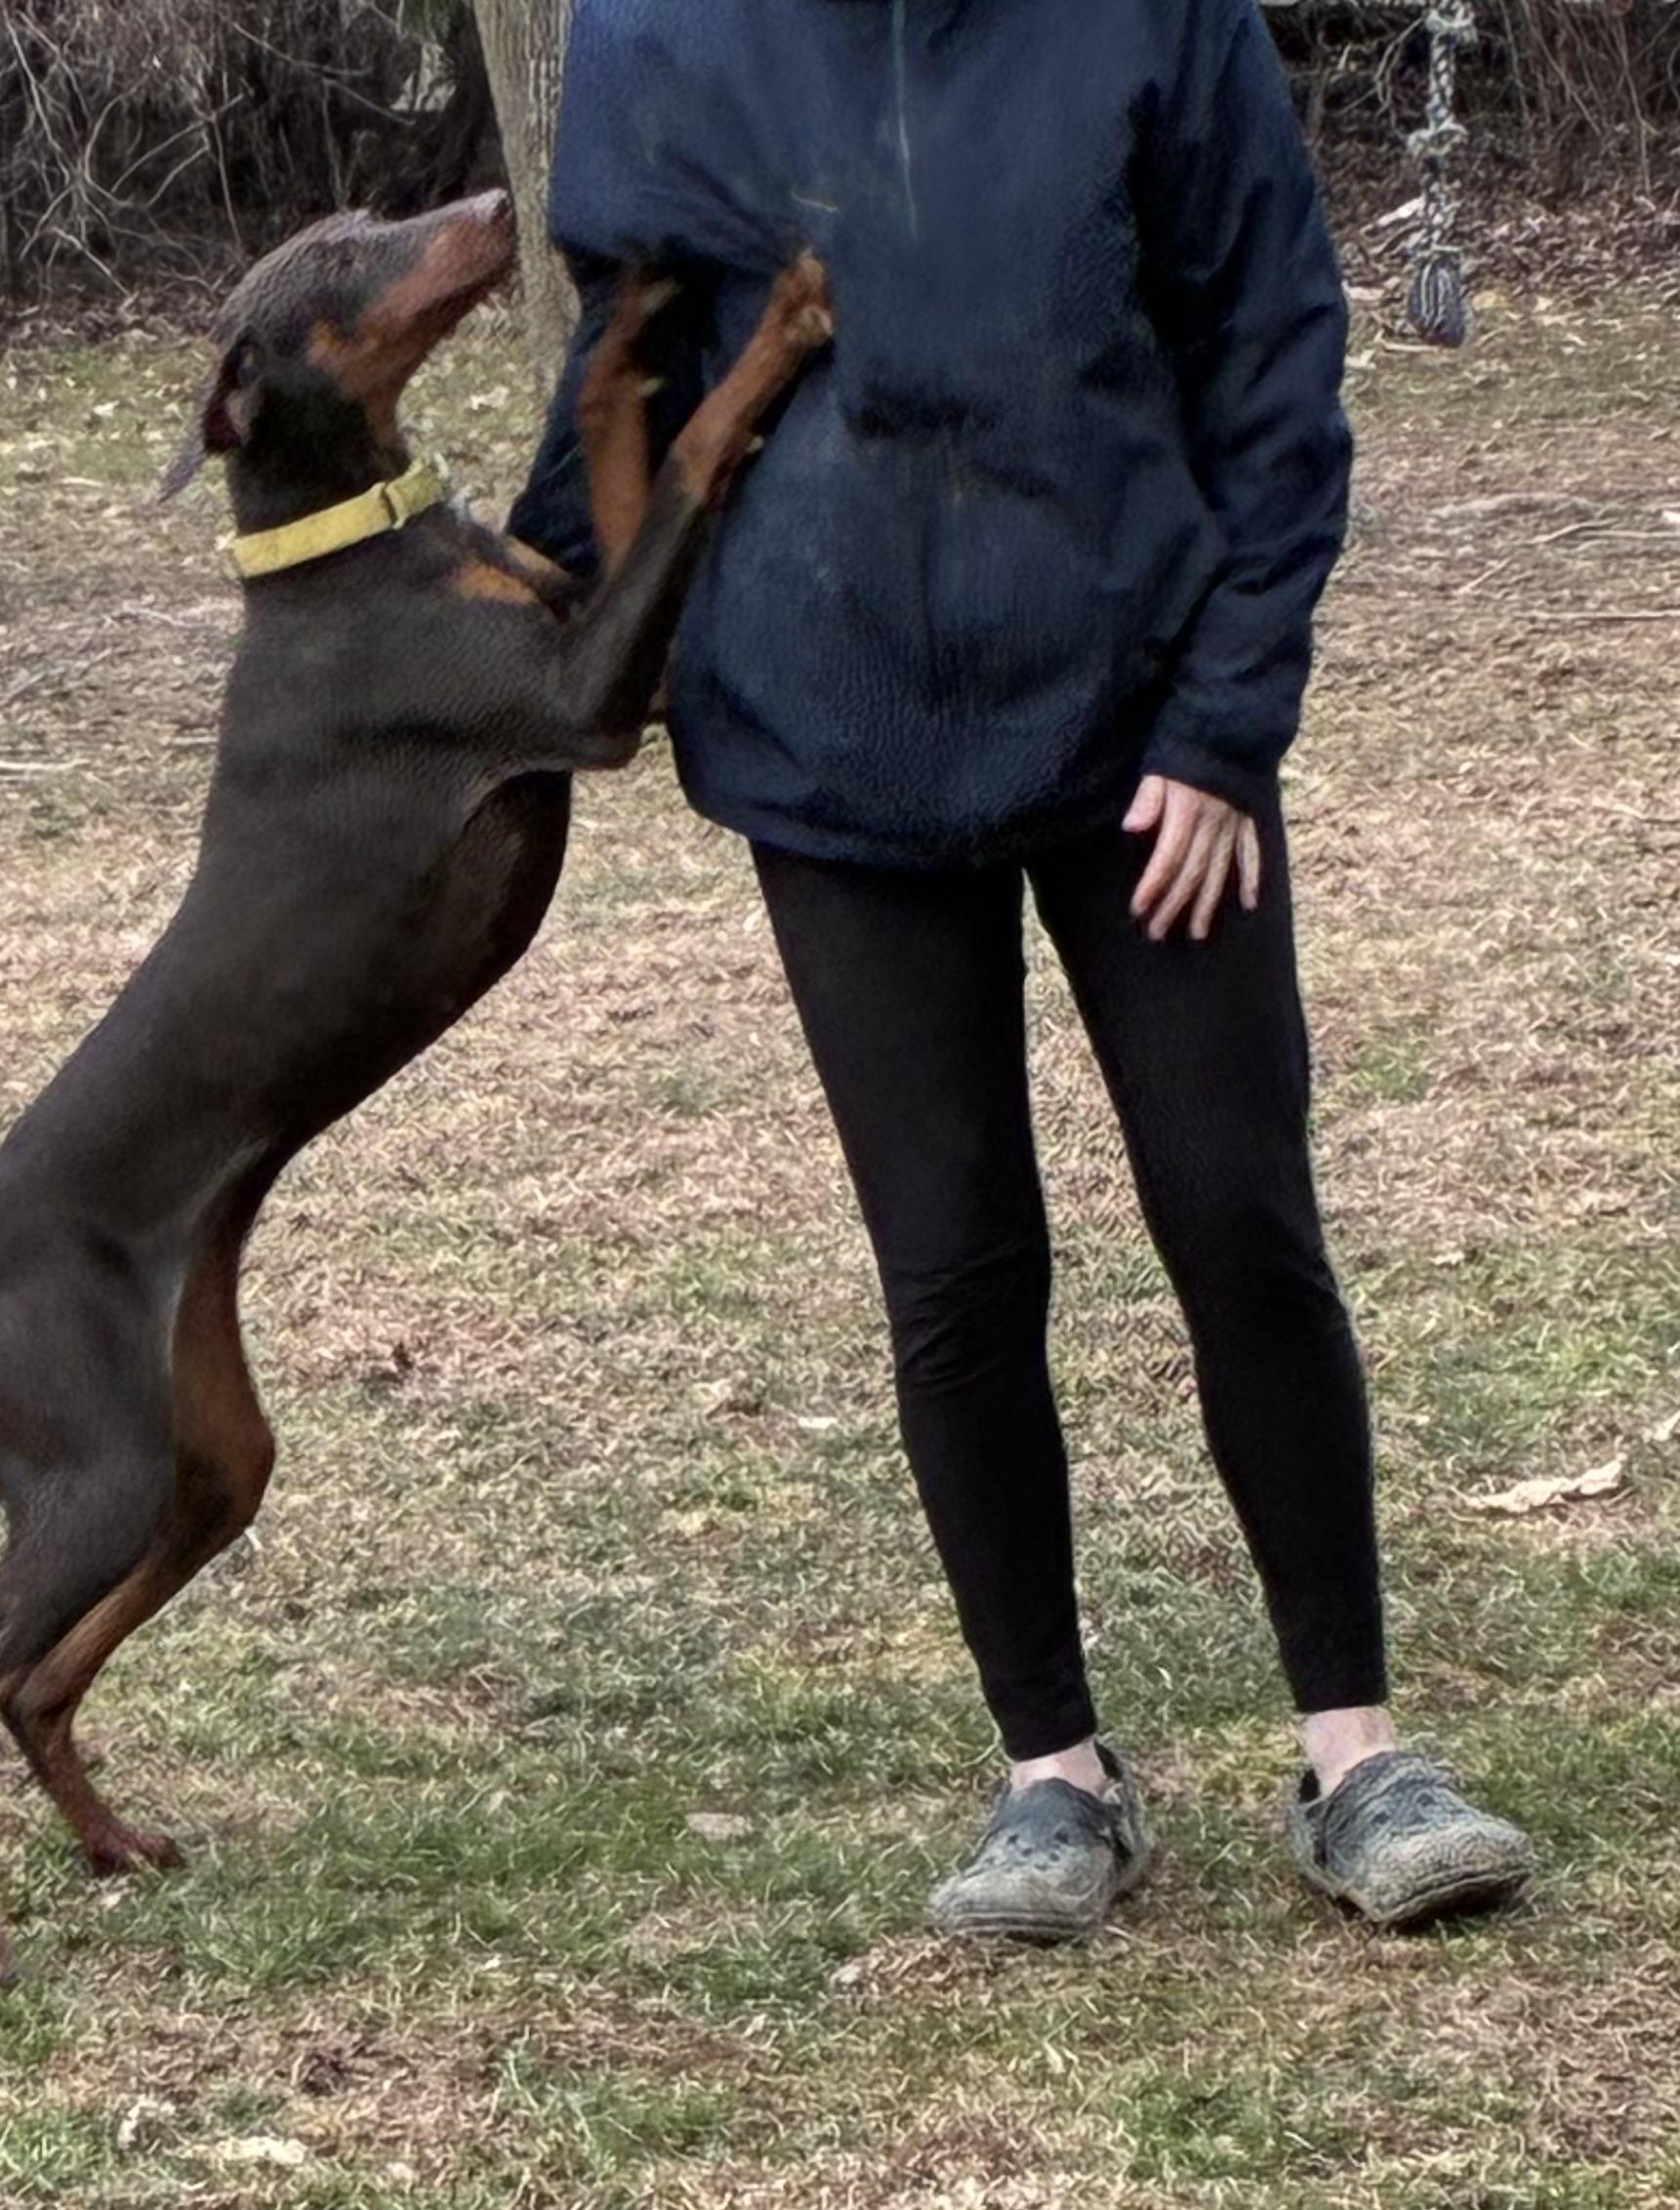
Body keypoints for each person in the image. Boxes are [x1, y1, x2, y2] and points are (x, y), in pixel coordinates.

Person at [510, 0, 1532, 1940]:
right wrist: (515, 629)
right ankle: (1053, 1778)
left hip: (1142, 722)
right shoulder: (658, 33)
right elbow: (625, 374)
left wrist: (1228, 725)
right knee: (955, 1256)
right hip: (824, 735)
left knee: (1240, 1213)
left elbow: (1270, 350)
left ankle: (1360, 1759)